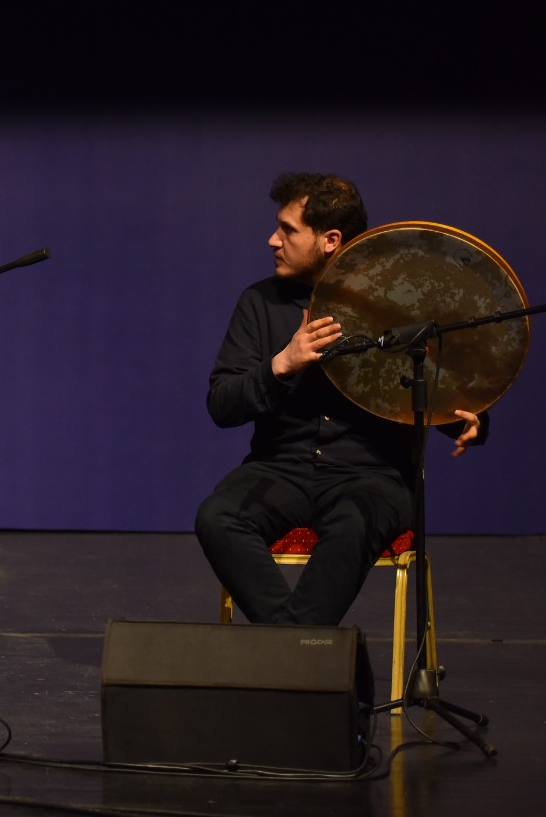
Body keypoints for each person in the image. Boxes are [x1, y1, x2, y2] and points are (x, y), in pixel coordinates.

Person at [194, 174, 485, 627]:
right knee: (218, 517)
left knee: (353, 525)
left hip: (371, 475)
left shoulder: (396, 305)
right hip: (280, 468)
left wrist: (467, 419)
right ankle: (319, 660)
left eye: (288, 230)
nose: (273, 240)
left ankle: (303, 660)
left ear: (330, 240)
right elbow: (222, 405)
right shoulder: (259, 303)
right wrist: (283, 363)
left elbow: (438, 392)